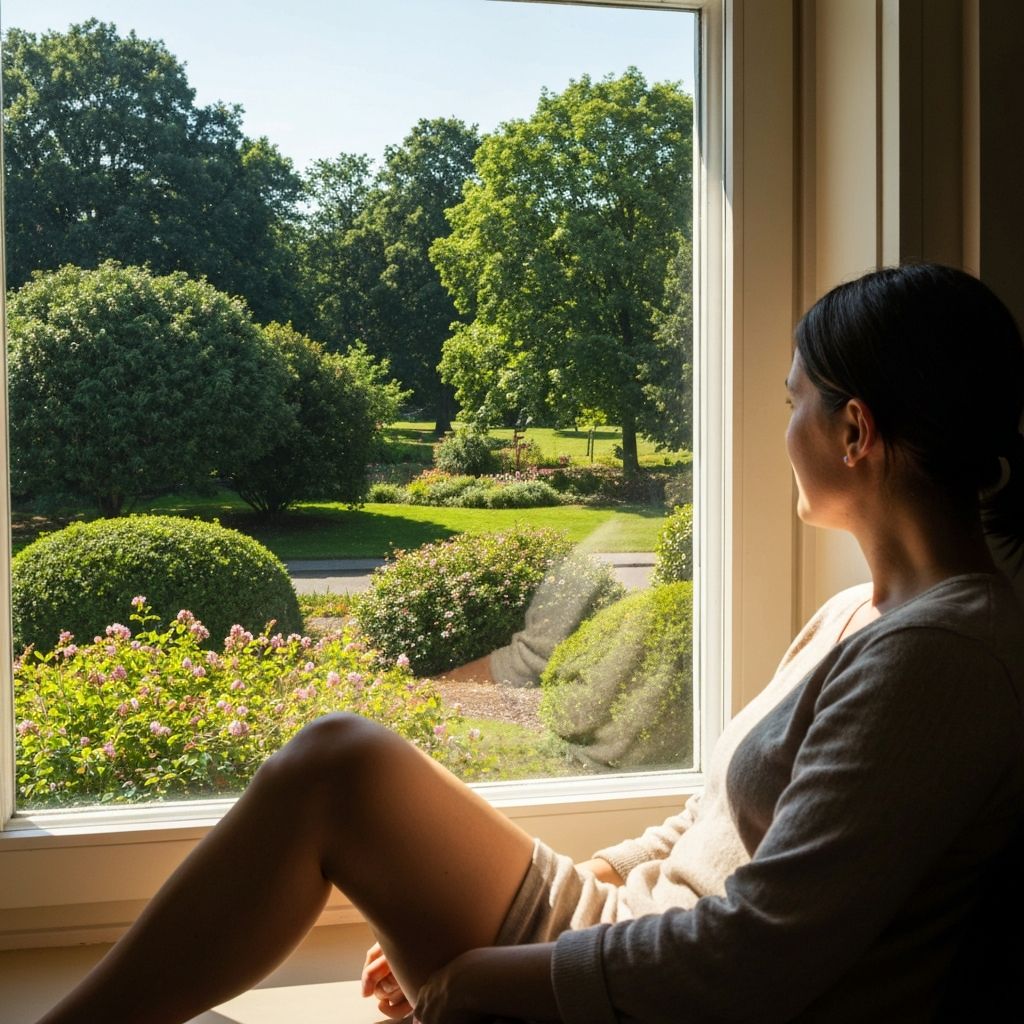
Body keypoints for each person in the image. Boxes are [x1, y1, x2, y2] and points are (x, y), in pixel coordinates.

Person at [37, 263, 1024, 1024]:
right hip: (627, 929)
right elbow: (702, 828)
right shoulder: (859, 616)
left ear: (853, 430)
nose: (782, 430)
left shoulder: (942, 656)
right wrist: (563, 886)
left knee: (340, 766)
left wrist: (488, 977)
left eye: (790, 401)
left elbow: (757, 954)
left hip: (669, 996)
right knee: (341, 765)